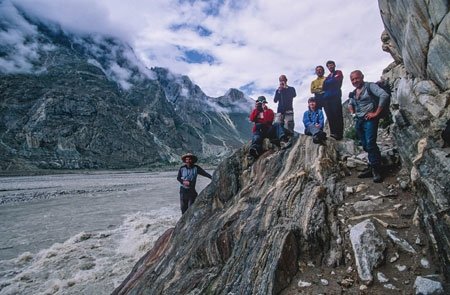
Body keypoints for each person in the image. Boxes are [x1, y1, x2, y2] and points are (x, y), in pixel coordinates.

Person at [348, 70, 389, 183]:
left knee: (370, 143)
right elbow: (350, 104)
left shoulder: (370, 86)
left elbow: (384, 95)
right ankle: (373, 165)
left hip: (370, 119)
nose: (355, 81)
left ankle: (376, 170)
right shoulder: (353, 92)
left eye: (357, 78)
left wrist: (376, 113)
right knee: (365, 145)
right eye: (352, 79)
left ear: (362, 77)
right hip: (359, 121)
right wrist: (353, 113)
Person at [322, 60, 344, 140]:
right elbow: (323, 86)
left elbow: (335, 81)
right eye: (329, 66)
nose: (330, 67)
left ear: (334, 65)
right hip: (327, 99)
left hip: (335, 97)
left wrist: (328, 82)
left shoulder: (338, 72)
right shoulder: (328, 76)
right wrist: (329, 82)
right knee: (330, 116)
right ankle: (333, 133)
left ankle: (339, 134)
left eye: (331, 65)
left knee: (337, 115)